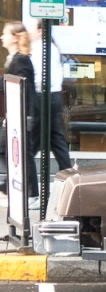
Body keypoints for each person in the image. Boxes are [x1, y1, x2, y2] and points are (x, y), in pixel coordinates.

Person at [26, 19, 72, 209]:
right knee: (57, 142)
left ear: (39, 30)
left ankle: (32, 194)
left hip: (41, 99)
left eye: (31, 27)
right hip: (53, 97)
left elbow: (36, 77)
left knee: (29, 147)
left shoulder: (40, 48)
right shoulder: (52, 47)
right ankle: (71, 180)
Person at [0, 22, 37, 200]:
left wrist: (24, 116)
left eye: (5, 34)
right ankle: (10, 185)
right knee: (12, 149)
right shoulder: (15, 59)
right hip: (15, 115)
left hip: (21, 116)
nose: (1, 37)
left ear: (14, 38)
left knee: (23, 152)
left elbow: (24, 89)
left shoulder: (21, 60)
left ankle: (31, 193)